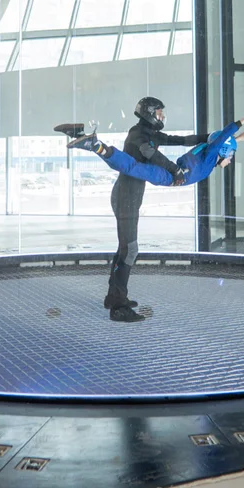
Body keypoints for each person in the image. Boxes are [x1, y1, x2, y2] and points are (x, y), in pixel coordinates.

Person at [55, 97, 207, 323]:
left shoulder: (150, 132)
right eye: (159, 113)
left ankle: (113, 296)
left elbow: (183, 140)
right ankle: (119, 307)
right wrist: (175, 170)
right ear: (149, 113)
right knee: (130, 250)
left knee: (124, 248)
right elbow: (150, 153)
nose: (162, 117)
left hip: (130, 196)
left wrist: (212, 138)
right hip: (126, 196)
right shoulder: (138, 134)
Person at [66, 110, 244, 187]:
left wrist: (238, 139)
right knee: (131, 167)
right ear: (223, 151)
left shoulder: (208, 151)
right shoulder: (211, 156)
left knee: (132, 167)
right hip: (170, 176)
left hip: (170, 173)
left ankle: (89, 142)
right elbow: (220, 141)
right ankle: (95, 145)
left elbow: (219, 142)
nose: (230, 160)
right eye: (231, 155)